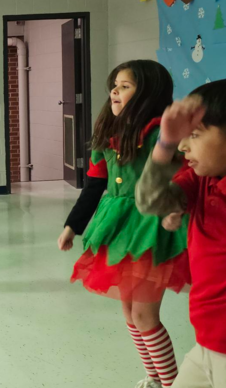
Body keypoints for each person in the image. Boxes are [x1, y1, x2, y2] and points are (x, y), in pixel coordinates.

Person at [57, 60, 188, 388]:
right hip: (117, 228)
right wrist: (73, 226)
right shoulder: (108, 134)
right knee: (130, 315)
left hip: (150, 229)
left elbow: (185, 174)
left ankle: (173, 383)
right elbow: (94, 185)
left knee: (145, 316)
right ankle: (155, 378)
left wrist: (176, 207)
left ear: (148, 93)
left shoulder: (161, 133)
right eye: (114, 85)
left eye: (125, 86)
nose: (114, 91)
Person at [136, 80, 226, 388]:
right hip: (206, 345)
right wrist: (165, 145)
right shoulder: (200, 181)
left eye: (195, 135)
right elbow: (150, 201)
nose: (184, 146)